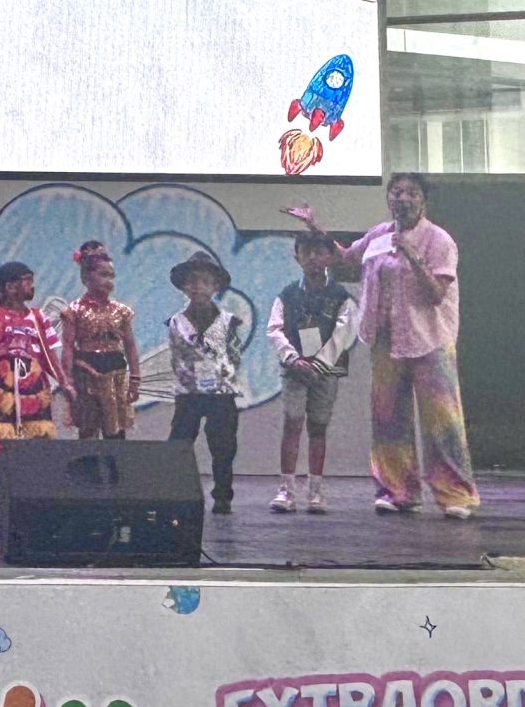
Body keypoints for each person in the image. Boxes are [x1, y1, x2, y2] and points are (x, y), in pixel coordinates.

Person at [288, 173, 479, 518]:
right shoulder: (378, 234)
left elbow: (437, 293)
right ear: (389, 199)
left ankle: (455, 495)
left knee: (442, 422)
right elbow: (345, 257)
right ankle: (397, 492)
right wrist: (315, 227)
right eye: (396, 192)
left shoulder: (438, 240)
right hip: (386, 340)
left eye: (411, 193)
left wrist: (412, 255)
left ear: (423, 201)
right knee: (389, 419)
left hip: (430, 341)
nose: (402, 198)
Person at [265, 232, 359, 514]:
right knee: (292, 423)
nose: (313, 258)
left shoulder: (340, 296)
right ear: (297, 257)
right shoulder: (287, 295)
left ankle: (315, 490)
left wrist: (319, 364)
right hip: (294, 371)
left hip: (325, 373)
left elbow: (344, 333)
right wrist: (292, 358)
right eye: (306, 252)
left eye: (319, 252)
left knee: (318, 426)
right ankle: (286, 489)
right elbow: (274, 329)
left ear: (330, 257)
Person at [0, 262, 62, 507]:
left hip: (33, 381)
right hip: (4, 382)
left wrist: (62, 379)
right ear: (11, 287)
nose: (31, 286)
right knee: (2, 434)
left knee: (37, 431)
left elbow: (49, 353)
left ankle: (35, 488)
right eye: (27, 281)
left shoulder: (38, 317)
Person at [164, 252, 246, 514]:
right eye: (192, 281)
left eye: (204, 281)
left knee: (223, 446)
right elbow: (176, 357)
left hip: (221, 394)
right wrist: (191, 377)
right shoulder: (176, 322)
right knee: (180, 442)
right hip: (188, 393)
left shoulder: (228, 321)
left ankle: (222, 495)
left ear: (215, 286)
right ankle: (173, 492)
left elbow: (235, 354)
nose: (197, 287)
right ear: (184, 287)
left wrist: (221, 374)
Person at [59, 240, 139, 440]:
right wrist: (67, 380)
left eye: (112, 276)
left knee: (116, 428)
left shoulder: (121, 311)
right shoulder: (74, 311)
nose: (109, 281)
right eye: (103, 275)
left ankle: (115, 460)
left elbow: (130, 345)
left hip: (115, 369)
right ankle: (89, 460)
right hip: (86, 370)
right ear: (86, 277)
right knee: (88, 427)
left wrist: (135, 379)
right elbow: (67, 347)